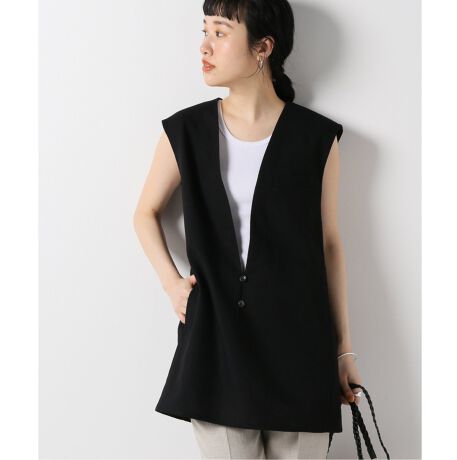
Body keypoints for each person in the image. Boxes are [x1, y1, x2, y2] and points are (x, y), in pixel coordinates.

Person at [133, 0, 362, 458]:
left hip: (300, 344)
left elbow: (329, 245)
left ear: (263, 47)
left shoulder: (316, 138)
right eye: (204, 31)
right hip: (217, 343)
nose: (204, 46)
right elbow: (145, 213)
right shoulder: (186, 130)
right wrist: (171, 284)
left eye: (220, 33)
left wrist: (343, 350)